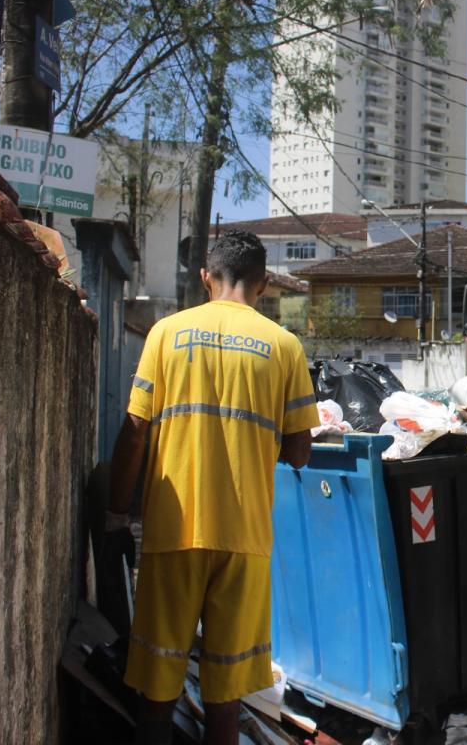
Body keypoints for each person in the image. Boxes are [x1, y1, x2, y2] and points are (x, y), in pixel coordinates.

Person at [106, 230, 319, 745]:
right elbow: (299, 452)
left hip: (171, 534)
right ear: (263, 284)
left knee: (158, 695)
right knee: (225, 701)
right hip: (244, 542)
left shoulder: (166, 333)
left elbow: (134, 431)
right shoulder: (284, 346)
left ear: (206, 277)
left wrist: (116, 512)